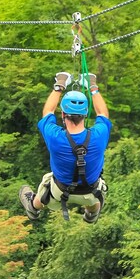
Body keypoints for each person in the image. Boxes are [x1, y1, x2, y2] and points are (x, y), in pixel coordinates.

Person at [19, 72, 111, 223]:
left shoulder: (54, 136)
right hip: (90, 192)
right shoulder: (100, 134)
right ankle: (92, 213)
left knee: (47, 183)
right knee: (95, 196)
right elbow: (103, 114)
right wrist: (93, 86)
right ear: (85, 114)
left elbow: (47, 112)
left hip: (60, 191)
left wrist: (60, 85)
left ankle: (33, 207)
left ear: (63, 114)